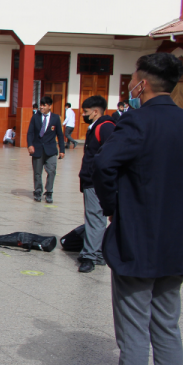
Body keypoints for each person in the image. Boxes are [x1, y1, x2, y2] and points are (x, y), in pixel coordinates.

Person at [76, 52, 183, 365]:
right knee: (167, 325)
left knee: (132, 332)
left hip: (138, 242)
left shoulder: (136, 122)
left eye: (133, 78)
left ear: (142, 84)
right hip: (177, 243)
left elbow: (103, 166)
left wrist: (115, 210)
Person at [76, 95, 114, 273]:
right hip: (91, 180)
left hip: (96, 182)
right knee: (95, 218)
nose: (83, 115)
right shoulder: (96, 127)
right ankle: (97, 253)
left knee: (94, 218)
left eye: (86, 112)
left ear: (96, 112)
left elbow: (110, 157)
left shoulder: (105, 128)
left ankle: (89, 256)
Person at [27, 96, 65, 203]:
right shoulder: (35, 117)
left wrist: (62, 150)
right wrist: (30, 145)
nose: (42, 107)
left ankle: (49, 192)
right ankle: (38, 191)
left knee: (52, 171)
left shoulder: (55, 118)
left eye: (44, 105)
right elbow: (30, 132)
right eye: (41, 105)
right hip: (37, 149)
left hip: (51, 149)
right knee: (37, 173)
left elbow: (60, 135)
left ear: (50, 106)